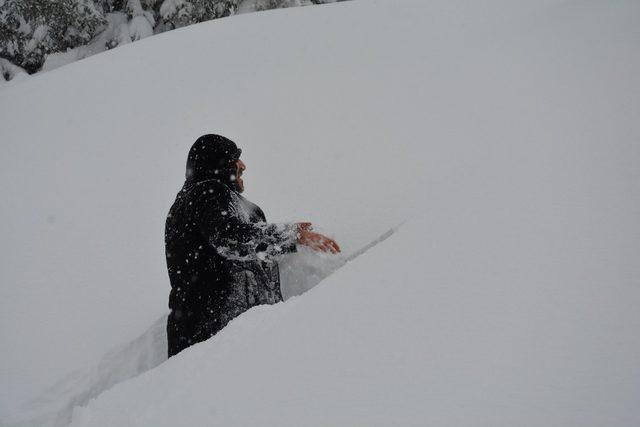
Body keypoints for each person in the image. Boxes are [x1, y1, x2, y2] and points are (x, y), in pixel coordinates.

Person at [165, 134, 340, 357]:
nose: (243, 166)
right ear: (218, 165)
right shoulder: (205, 193)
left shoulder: (207, 200)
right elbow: (230, 238)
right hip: (213, 343)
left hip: (223, 340)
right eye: (234, 158)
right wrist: (291, 236)